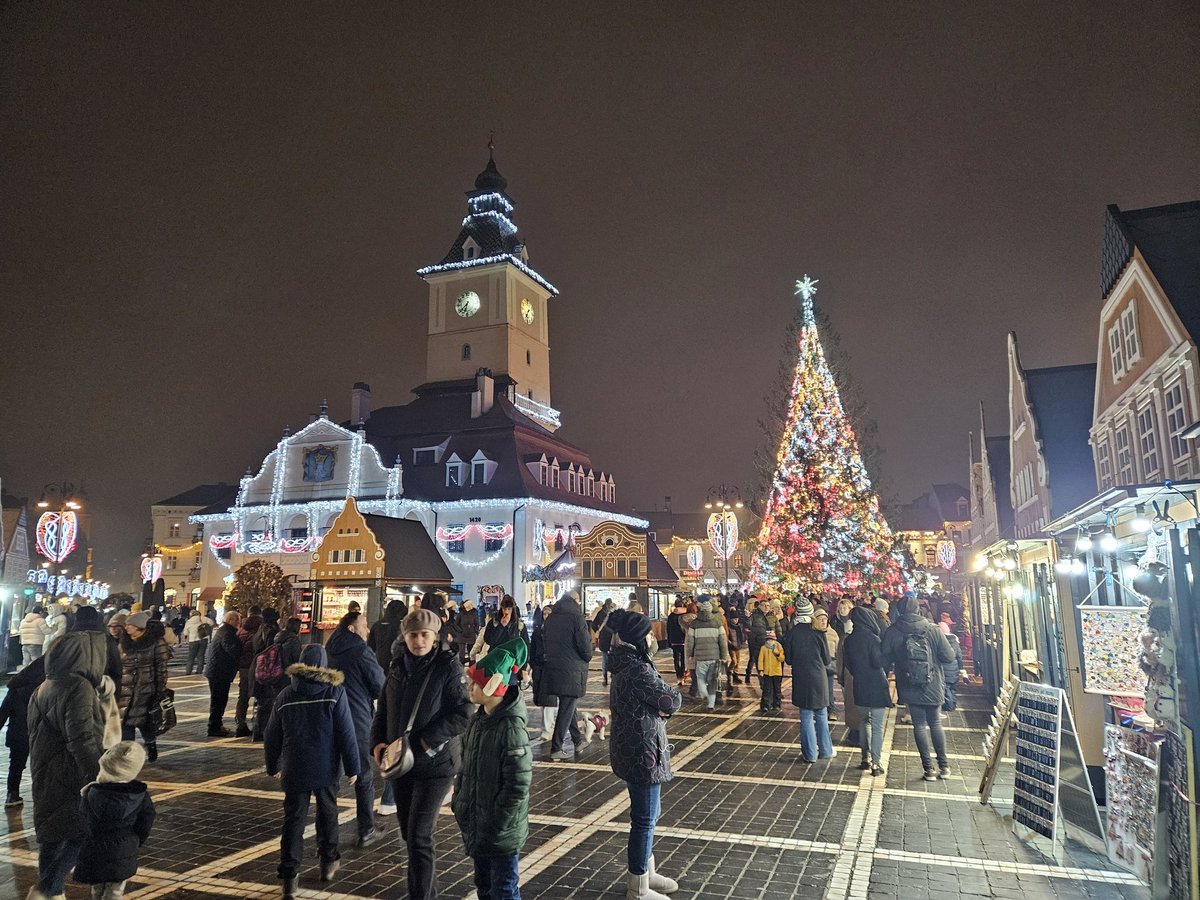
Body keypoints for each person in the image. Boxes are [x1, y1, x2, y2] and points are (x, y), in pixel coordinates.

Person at [371, 608, 471, 900]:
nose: (419, 641)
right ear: (405, 636)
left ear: (435, 636)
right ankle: (428, 892)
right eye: (413, 635)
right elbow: (383, 709)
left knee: (419, 836)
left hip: (436, 764)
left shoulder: (447, 666)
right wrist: (377, 742)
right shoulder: (396, 666)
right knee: (409, 834)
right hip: (402, 764)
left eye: (425, 635)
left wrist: (426, 742)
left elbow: (463, 712)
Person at [265, 643, 360, 897]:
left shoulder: (286, 695)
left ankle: (289, 877)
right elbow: (346, 732)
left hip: (294, 767)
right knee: (327, 813)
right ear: (324, 664)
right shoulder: (334, 692)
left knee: (293, 820)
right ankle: (328, 862)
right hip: (326, 767)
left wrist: (273, 765)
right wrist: (353, 766)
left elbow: (271, 735)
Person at [27, 618, 108, 900]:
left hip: (44, 768)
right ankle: (47, 889)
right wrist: (98, 775)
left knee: (52, 834)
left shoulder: (44, 685)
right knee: (83, 831)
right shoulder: (78, 686)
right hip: (70, 772)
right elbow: (82, 737)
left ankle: (53, 891)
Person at [606, 609, 682, 900]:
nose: (653, 638)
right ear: (639, 638)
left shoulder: (627, 663)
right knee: (644, 818)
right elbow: (672, 700)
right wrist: (661, 707)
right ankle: (638, 886)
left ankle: (647, 872)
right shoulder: (637, 669)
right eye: (649, 633)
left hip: (634, 746)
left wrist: (658, 707)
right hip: (643, 751)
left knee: (649, 813)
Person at [453, 639, 532, 900]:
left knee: (504, 889)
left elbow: (518, 784)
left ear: (493, 686)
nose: (470, 687)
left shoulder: (511, 729)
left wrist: (498, 821)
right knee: (484, 885)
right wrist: (459, 800)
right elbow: (465, 766)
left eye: (476, 683)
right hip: (480, 824)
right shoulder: (478, 721)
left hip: (501, 832)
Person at [325, 609, 386, 848]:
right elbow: (379, 685)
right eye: (364, 625)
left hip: (330, 716)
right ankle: (366, 828)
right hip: (356, 718)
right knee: (363, 775)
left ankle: (327, 838)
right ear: (352, 629)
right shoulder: (361, 651)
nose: (367, 630)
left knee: (330, 777)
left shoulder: (329, 649)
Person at [881, 593, 957, 781]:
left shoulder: (893, 631)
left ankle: (928, 769)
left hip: (909, 683)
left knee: (919, 725)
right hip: (933, 682)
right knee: (935, 723)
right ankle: (944, 767)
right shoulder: (932, 629)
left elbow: (884, 659)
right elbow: (949, 657)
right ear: (918, 609)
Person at [73, 741, 157, 900]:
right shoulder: (139, 795)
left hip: (95, 848)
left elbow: (83, 820)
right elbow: (147, 819)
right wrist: (136, 840)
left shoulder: (92, 793)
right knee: (115, 891)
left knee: (97, 888)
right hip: (124, 848)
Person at [541, 589, 594, 760]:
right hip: (572, 669)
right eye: (579, 600)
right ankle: (556, 747)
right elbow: (585, 645)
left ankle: (578, 741)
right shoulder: (576, 618)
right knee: (567, 706)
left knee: (568, 703)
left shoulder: (551, 618)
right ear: (574, 600)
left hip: (554, 667)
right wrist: (588, 655)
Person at [843, 607, 892, 776]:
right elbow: (878, 662)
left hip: (859, 685)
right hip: (876, 686)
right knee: (876, 726)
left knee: (863, 722)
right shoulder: (873, 638)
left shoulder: (849, 640)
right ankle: (876, 764)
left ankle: (865, 758)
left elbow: (848, 664)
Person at [784, 606, 835, 763]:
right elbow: (827, 659)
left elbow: (788, 660)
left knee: (806, 716)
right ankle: (826, 750)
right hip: (819, 678)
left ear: (798, 614)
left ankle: (810, 754)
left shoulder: (792, 633)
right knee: (821, 713)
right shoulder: (818, 632)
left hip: (801, 678)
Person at [118, 611, 170, 762]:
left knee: (144, 721)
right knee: (126, 721)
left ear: (139, 627)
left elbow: (161, 668)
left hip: (146, 689)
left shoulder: (156, 642)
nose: (126, 628)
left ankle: (150, 744)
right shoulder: (124, 642)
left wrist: (160, 689)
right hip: (125, 689)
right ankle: (128, 754)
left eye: (130, 625)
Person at [0, 654, 44, 807]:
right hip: (40, 734)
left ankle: (12, 794)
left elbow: (2, 714)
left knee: (16, 764)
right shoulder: (46, 688)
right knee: (43, 766)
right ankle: (42, 796)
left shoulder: (15, 689)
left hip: (18, 734)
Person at [253, 616, 304, 743]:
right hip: (285, 676)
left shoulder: (279, 636)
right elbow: (296, 660)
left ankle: (260, 731)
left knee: (269, 704)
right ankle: (275, 731)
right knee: (281, 704)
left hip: (275, 675)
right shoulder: (293, 640)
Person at [204, 611, 243, 737]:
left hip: (217, 670)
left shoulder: (224, 631)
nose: (239, 623)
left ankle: (216, 725)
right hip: (219, 672)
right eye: (237, 620)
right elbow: (232, 650)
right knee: (219, 700)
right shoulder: (227, 633)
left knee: (219, 700)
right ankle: (213, 727)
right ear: (230, 620)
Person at [684, 598, 728, 710]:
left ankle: (704, 693)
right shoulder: (717, 623)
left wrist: (689, 654)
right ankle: (711, 704)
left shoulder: (694, 623)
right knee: (713, 681)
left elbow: (690, 641)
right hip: (714, 656)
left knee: (700, 678)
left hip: (700, 657)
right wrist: (724, 656)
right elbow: (723, 641)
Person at [529, 602, 558, 741]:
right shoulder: (537, 631)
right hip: (539, 668)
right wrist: (532, 664)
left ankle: (548, 729)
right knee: (541, 700)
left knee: (548, 700)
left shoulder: (557, 632)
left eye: (548, 613)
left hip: (550, 668)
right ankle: (547, 726)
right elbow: (532, 650)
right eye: (544, 613)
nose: (546, 616)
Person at [234, 606, 264, 737]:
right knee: (261, 696)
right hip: (259, 666)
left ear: (248, 614)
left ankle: (240, 724)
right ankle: (258, 724)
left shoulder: (241, 630)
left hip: (245, 667)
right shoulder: (263, 628)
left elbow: (237, 647)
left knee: (243, 696)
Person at [471, 596, 529, 662]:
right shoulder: (493, 623)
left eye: (509, 609)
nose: (506, 612)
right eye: (504, 609)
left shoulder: (519, 626)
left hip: (513, 662)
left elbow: (525, 646)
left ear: (513, 610)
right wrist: (501, 627)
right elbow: (488, 640)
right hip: (496, 661)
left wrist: (524, 665)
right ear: (501, 608)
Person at [368, 598, 408, 669]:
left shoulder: (377, 625)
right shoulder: (403, 626)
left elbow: (371, 646)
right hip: (398, 663)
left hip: (380, 663)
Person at [757, 630, 784, 712]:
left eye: (772, 640)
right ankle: (765, 705)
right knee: (766, 689)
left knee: (777, 689)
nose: (770, 641)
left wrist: (778, 654)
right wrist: (761, 670)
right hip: (767, 672)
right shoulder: (763, 648)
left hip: (776, 672)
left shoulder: (778, 646)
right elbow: (760, 659)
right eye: (768, 640)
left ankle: (777, 705)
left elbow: (782, 659)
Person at [182, 608, 212, 676]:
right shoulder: (203, 618)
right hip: (203, 639)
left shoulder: (189, 621)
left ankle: (188, 670)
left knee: (191, 656)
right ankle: (199, 670)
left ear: (191, 615)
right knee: (201, 656)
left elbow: (185, 633)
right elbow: (211, 623)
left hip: (193, 640)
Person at [745, 597, 768, 681]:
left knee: (758, 659)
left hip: (762, 640)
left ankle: (760, 679)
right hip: (754, 641)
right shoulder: (753, 615)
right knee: (754, 658)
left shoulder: (766, 615)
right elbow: (748, 625)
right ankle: (749, 674)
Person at [665, 599, 687, 686]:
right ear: (682, 605)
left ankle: (678, 676)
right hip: (684, 640)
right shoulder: (685, 616)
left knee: (676, 658)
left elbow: (668, 629)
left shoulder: (671, 616)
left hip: (674, 640)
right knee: (684, 659)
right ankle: (682, 676)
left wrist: (669, 640)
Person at [942, 630, 963, 712]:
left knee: (946, 688)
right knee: (953, 688)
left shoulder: (942, 643)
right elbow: (959, 656)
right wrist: (960, 668)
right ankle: (953, 704)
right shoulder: (955, 643)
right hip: (955, 669)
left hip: (945, 670)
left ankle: (949, 706)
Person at [726, 606, 747, 685]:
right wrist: (730, 643)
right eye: (734, 619)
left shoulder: (739, 626)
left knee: (737, 662)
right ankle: (729, 673)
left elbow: (741, 635)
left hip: (738, 645)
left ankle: (735, 675)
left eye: (737, 619)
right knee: (734, 661)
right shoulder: (728, 626)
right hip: (732, 646)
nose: (736, 620)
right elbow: (726, 637)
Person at [455, 598, 480, 664]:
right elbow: (456, 624)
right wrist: (460, 631)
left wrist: (475, 631)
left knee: (471, 651)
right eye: (471, 604)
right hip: (462, 635)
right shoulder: (460, 614)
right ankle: (461, 664)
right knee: (462, 651)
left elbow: (477, 623)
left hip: (471, 634)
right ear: (467, 606)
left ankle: (472, 664)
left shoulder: (474, 614)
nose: (472, 605)